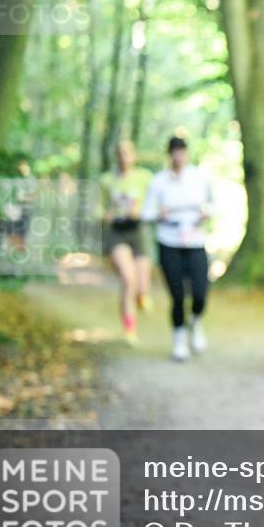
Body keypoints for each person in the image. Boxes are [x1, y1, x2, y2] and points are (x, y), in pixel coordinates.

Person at [142, 136, 214, 362]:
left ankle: (196, 320)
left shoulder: (199, 177)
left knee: (200, 292)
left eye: (181, 151)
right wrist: (159, 214)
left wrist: (207, 212)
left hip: (195, 240)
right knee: (177, 295)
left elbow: (214, 203)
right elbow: (147, 213)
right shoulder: (159, 181)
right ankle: (179, 339)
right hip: (169, 241)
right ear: (169, 154)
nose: (178, 156)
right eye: (174, 152)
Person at [100, 141, 154, 343]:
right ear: (116, 156)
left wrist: (140, 211)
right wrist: (107, 215)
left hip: (138, 231)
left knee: (141, 288)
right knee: (127, 278)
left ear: (134, 156)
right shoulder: (106, 181)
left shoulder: (145, 178)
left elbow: (154, 202)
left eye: (127, 153)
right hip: (117, 233)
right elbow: (98, 208)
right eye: (120, 153)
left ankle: (142, 296)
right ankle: (130, 330)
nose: (124, 157)